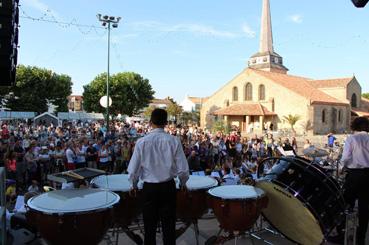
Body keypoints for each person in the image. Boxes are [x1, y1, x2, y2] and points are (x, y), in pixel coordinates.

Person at [128, 108, 189, 245]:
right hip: (168, 187)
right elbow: (183, 169)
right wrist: (183, 183)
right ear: (166, 122)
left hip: (149, 189)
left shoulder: (142, 142)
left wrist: (133, 184)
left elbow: (133, 170)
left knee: (149, 229)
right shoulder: (173, 141)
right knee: (169, 228)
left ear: (150, 122)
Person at [338, 117, 369, 245]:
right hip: (368, 175)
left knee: (345, 204)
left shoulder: (352, 139)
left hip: (354, 175)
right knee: (365, 207)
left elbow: (345, 157)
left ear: (354, 126)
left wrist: (340, 168)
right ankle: (360, 239)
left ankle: (342, 234)